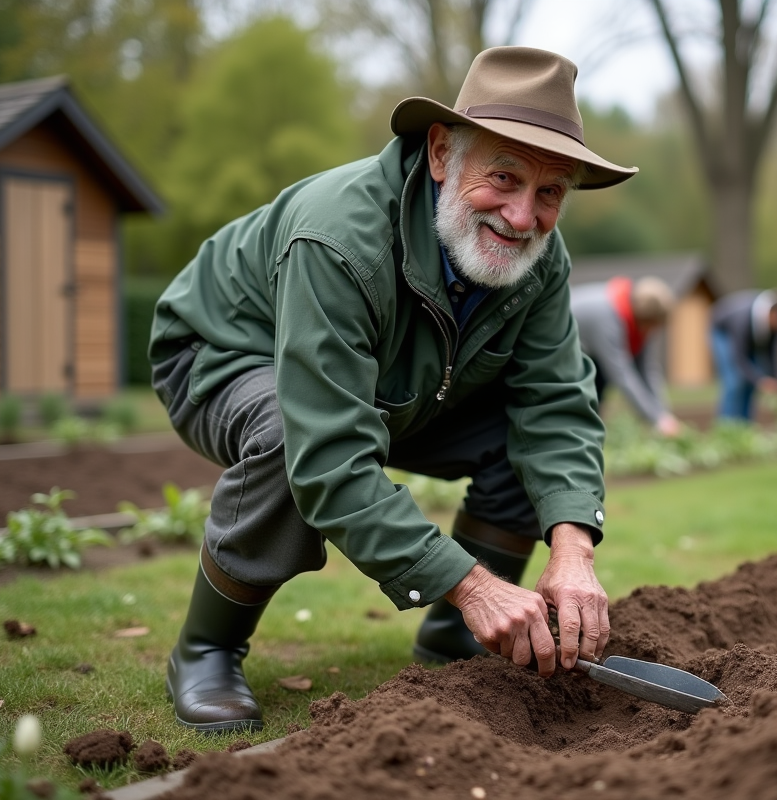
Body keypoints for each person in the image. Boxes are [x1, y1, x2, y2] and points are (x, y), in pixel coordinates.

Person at [148, 47, 638, 733]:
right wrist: (472, 584)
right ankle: (206, 651)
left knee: (525, 449)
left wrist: (573, 548)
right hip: (222, 353)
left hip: (396, 387)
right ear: (442, 153)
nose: (523, 216)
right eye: (504, 176)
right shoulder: (338, 237)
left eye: (550, 192)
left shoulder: (540, 261)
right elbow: (327, 454)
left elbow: (555, 402)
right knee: (289, 437)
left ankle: (456, 643)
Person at [571, 277, 680, 436]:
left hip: (590, 353)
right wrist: (656, 419)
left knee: (598, 387)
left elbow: (648, 369)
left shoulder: (637, 320)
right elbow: (621, 374)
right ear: (647, 318)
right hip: (563, 350)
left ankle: (589, 437)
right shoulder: (607, 317)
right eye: (654, 324)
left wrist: (664, 414)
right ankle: (581, 437)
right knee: (588, 393)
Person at [709, 289, 777, 422]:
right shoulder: (743, 320)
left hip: (745, 341)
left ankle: (745, 426)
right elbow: (739, 358)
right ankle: (726, 427)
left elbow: (772, 354)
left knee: (750, 384)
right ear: (773, 314)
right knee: (734, 381)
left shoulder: (775, 326)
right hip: (723, 331)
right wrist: (761, 380)